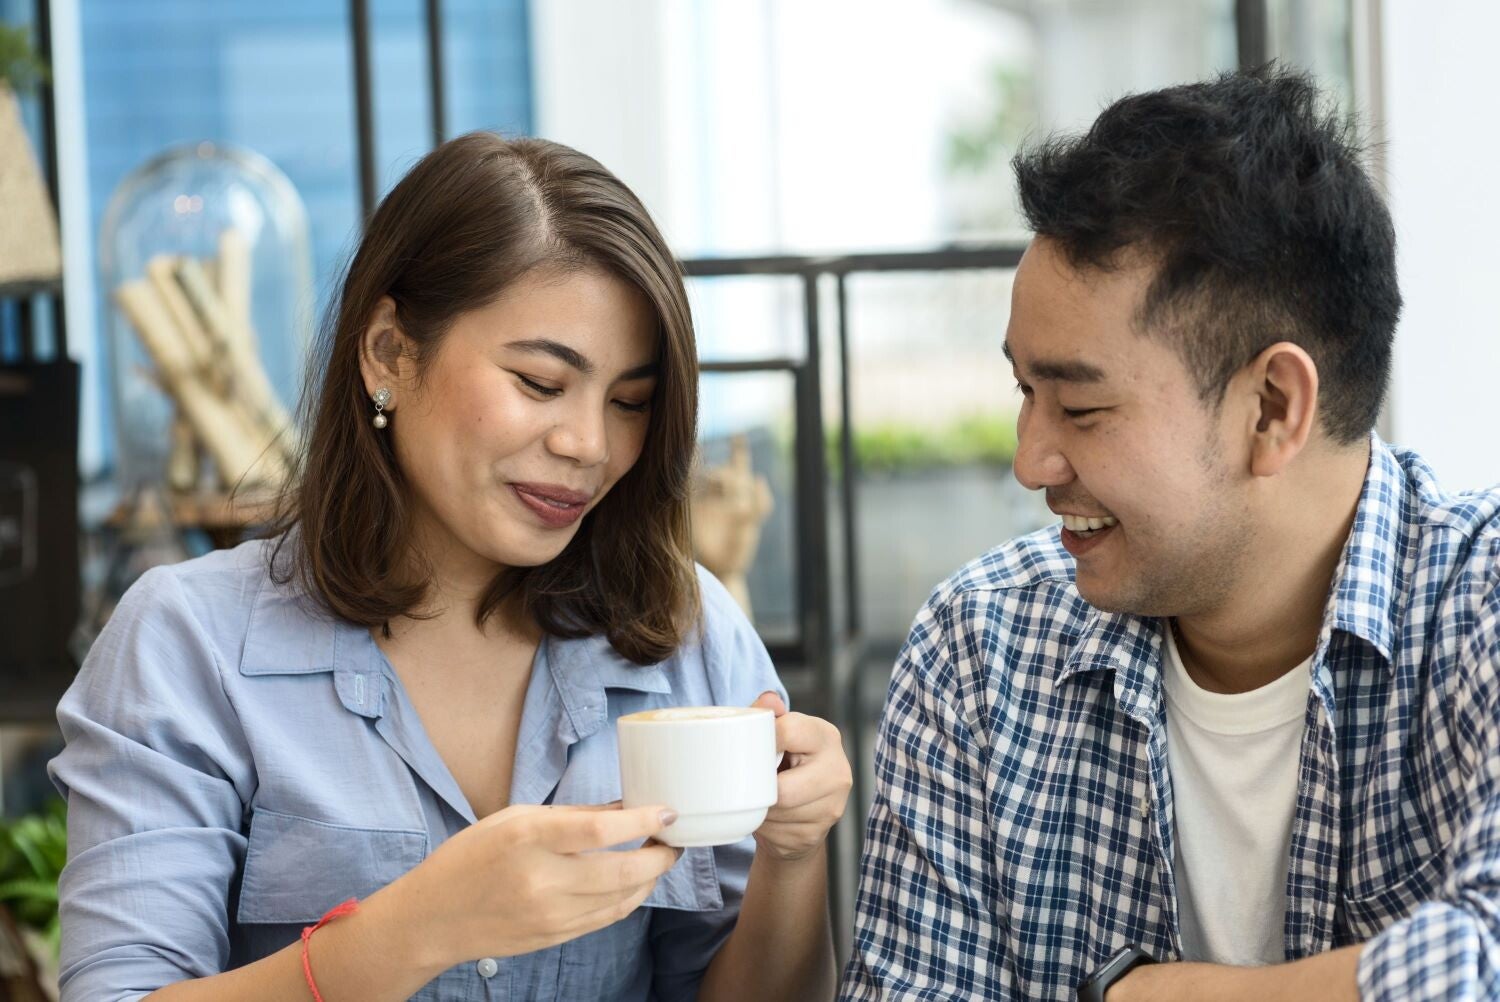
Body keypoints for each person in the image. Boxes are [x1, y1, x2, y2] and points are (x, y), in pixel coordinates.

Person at [50, 133, 852, 1002]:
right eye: (541, 383)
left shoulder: (684, 631)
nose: (590, 445)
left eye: (631, 403)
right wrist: (415, 929)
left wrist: (793, 855)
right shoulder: (189, 643)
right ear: (390, 352)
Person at [840, 66, 1500, 1002]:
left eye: (1080, 406)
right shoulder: (980, 654)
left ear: (1273, 407)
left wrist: (1161, 996)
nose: (1031, 460)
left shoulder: (1478, 608)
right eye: (1026, 394)